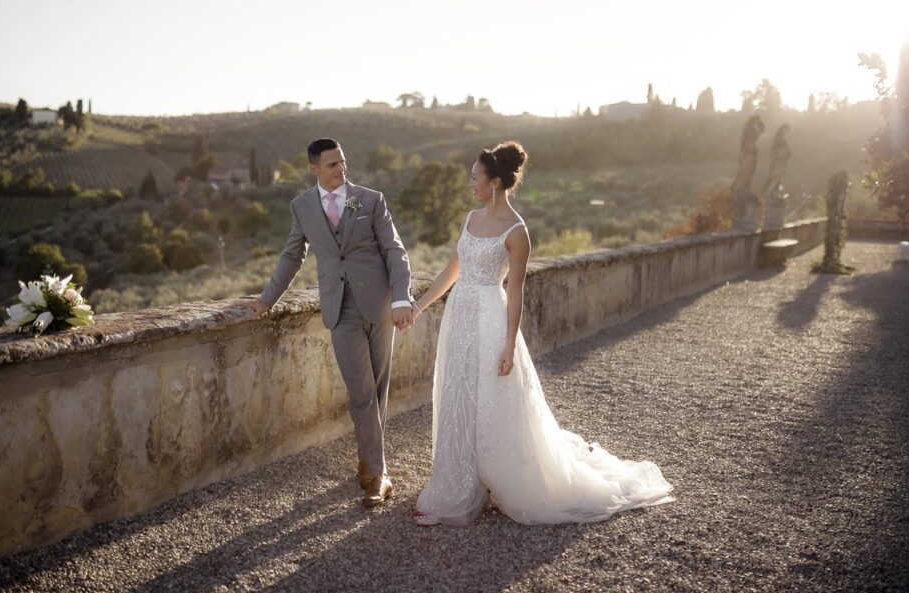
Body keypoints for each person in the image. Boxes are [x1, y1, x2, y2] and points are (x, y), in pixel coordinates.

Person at [410, 140, 674, 525]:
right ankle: (458, 482)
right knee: (458, 393)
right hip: (459, 317)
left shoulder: (518, 232)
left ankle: (498, 480)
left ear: (495, 182)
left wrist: (507, 345)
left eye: (474, 178)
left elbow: (514, 291)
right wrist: (420, 306)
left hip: (490, 317)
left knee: (493, 400)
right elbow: (453, 270)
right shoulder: (470, 219)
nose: (470, 184)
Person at [241, 138, 416, 508]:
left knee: (378, 388)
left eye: (343, 162)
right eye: (333, 165)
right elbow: (292, 256)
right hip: (340, 310)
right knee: (361, 391)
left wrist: (401, 297)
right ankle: (380, 475)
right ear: (314, 169)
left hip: (381, 304)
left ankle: (370, 463)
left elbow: (394, 251)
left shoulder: (371, 200)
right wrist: (265, 300)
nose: (341, 169)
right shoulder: (302, 206)